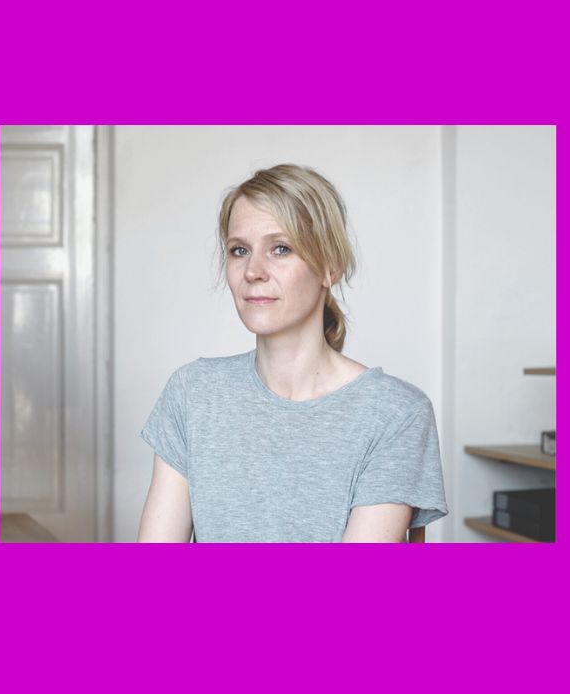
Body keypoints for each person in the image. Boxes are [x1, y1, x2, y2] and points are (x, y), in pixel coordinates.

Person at [136, 164, 447, 542]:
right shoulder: (192, 393)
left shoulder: (395, 414)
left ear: (330, 267)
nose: (253, 271)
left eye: (280, 248)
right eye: (239, 250)